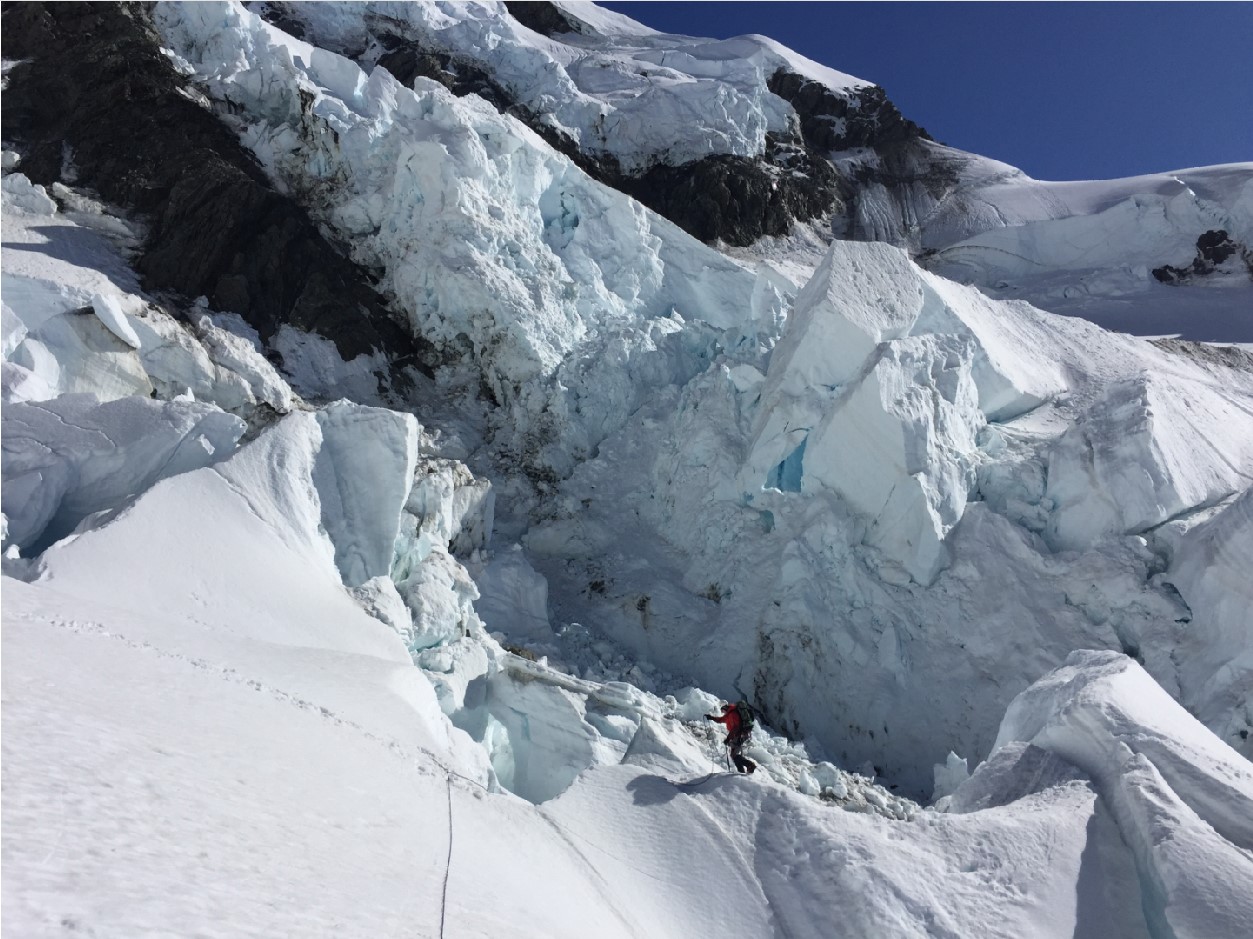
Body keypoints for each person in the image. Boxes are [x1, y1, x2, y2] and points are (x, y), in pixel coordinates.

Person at [706, 702, 757, 774]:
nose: (723, 713)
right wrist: (711, 718)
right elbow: (720, 720)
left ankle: (750, 765)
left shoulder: (732, 714)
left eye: (723, 711)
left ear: (726, 708)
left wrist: (728, 738)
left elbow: (736, 727)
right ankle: (741, 772)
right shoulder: (729, 715)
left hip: (739, 735)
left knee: (734, 755)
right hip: (740, 735)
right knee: (734, 755)